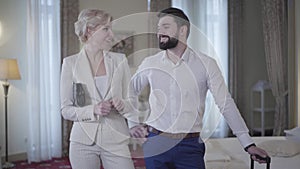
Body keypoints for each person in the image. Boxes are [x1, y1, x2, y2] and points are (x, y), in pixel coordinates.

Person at [128, 7, 269, 169]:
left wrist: (248, 144)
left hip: (190, 146)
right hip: (156, 143)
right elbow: (130, 91)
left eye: (165, 27)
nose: (159, 32)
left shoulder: (206, 64)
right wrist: (132, 124)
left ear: (182, 30)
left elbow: (225, 103)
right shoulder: (150, 63)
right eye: (158, 28)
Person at [60, 9, 135, 169]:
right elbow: (65, 110)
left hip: (116, 140)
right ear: (89, 30)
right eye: (106, 29)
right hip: (83, 143)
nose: (111, 34)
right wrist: (93, 109)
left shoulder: (119, 60)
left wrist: (123, 104)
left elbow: (131, 101)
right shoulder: (70, 63)